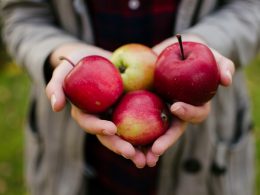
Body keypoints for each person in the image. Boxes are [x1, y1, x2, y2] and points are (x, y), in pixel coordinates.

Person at [1, 0, 259, 194]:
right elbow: (21, 14)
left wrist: (205, 42)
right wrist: (59, 53)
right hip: (76, 155)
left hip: (204, 150)